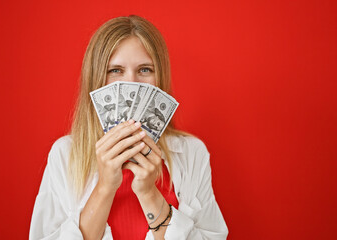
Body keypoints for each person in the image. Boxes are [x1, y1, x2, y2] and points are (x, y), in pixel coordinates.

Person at [29, 15, 228, 240]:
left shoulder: (192, 153)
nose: (131, 83)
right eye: (115, 70)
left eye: (144, 69)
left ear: (159, 78)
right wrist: (105, 187)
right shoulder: (64, 154)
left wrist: (148, 192)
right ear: (97, 79)